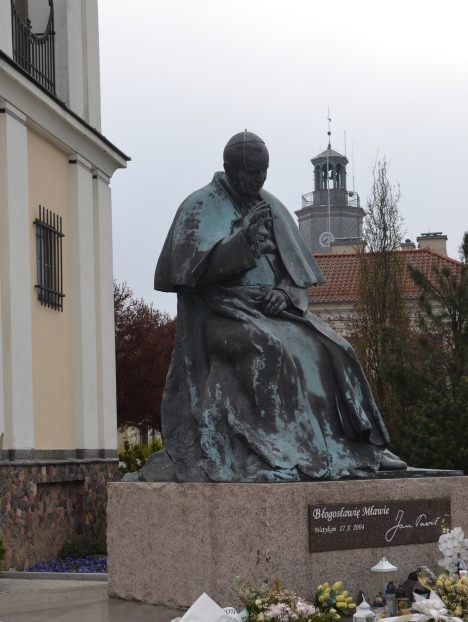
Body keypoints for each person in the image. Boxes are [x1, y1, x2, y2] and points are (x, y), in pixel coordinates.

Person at [138, 131, 407, 483]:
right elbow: (189, 271)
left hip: (275, 311)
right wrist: (242, 243)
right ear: (230, 168)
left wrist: (284, 292)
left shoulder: (273, 207)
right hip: (221, 313)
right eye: (252, 172)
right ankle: (276, 451)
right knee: (268, 347)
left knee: (338, 348)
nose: (259, 179)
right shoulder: (199, 205)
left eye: (264, 171)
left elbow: (297, 276)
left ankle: (360, 446)